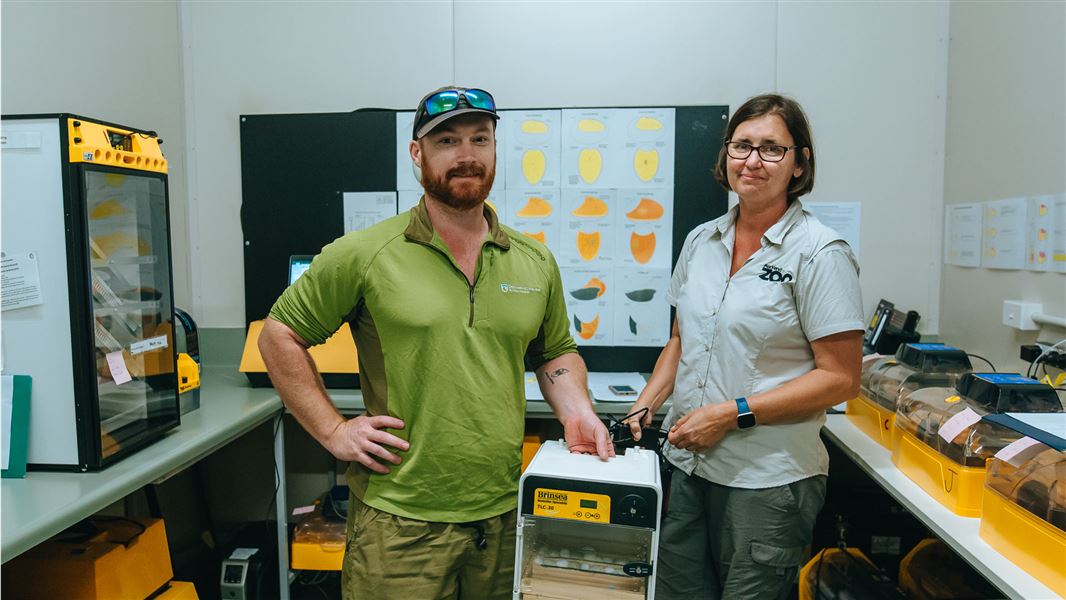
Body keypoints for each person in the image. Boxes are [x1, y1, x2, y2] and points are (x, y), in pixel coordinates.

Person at [258, 85, 613, 600]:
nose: (467, 155)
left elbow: (554, 352)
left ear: (495, 149)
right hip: (399, 522)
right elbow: (279, 335)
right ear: (417, 154)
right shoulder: (366, 253)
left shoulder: (533, 261)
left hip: (500, 514)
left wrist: (577, 411)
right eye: (447, 140)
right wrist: (334, 430)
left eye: (480, 139)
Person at [626, 93, 864, 600]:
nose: (753, 160)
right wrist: (646, 405)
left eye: (772, 149)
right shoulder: (700, 242)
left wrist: (731, 415)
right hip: (688, 467)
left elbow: (841, 378)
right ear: (726, 156)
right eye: (742, 145)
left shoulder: (821, 253)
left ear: (799, 163)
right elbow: (679, 340)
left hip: (767, 482)